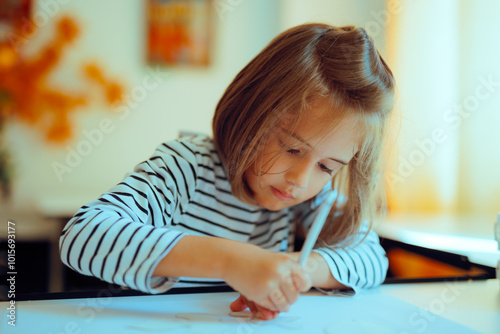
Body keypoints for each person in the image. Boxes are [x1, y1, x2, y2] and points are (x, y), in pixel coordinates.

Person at [59, 23, 395, 320]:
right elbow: (82, 237)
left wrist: (296, 271)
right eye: (291, 149)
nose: (301, 179)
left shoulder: (308, 197)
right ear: (251, 112)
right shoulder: (186, 167)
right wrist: (231, 261)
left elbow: (371, 256)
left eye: (326, 167)